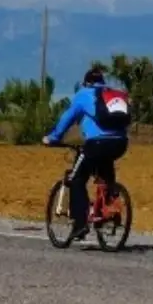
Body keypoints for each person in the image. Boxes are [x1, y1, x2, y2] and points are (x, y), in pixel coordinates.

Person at [42, 68, 131, 240]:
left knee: (77, 179)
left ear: (86, 82)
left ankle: (80, 224)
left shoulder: (84, 94)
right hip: (120, 143)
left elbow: (67, 118)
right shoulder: (111, 94)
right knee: (105, 173)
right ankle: (109, 205)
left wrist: (53, 137)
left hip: (97, 143)